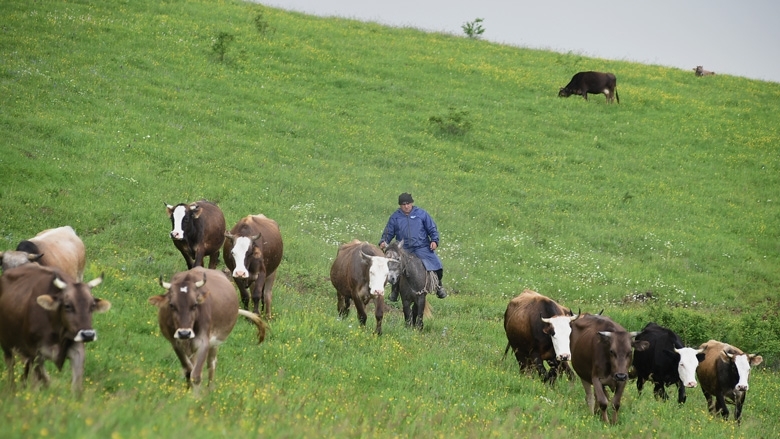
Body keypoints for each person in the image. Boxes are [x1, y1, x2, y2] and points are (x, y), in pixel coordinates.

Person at [379, 193, 447, 300]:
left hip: (421, 247)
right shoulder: (395, 217)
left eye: (408, 203)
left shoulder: (422, 214)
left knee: (437, 264)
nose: (406, 206)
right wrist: (383, 241)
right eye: (403, 204)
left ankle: (439, 286)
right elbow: (388, 232)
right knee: (396, 266)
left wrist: (434, 240)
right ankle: (395, 291)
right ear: (400, 205)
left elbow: (432, 228)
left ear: (412, 203)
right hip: (404, 249)